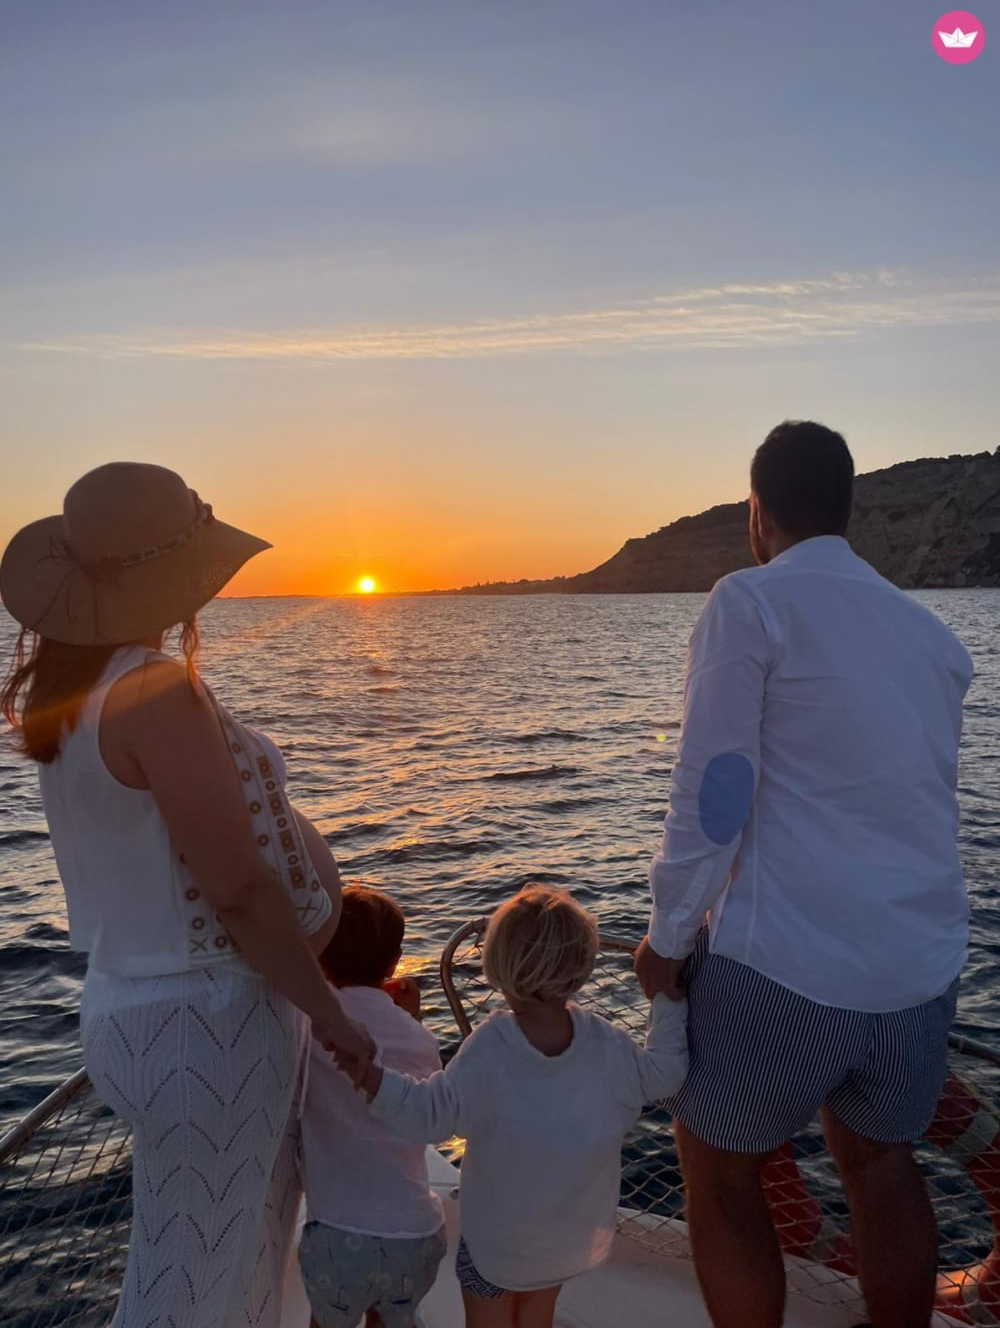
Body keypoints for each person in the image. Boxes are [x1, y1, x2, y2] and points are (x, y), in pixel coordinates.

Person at [0, 461, 373, 1328]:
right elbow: (237, 888)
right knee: (198, 1287)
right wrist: (329, 1012)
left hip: (144, 1009)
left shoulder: (79, 690)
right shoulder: (152, 691)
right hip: (205, 1024)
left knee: (212, 1261)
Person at [633, 421, 974, 1328]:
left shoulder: (750, 602)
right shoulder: (935, 641)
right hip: (918, 972)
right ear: (847, 510)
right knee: (881, 1162)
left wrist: (667, 940)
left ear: (759, 512)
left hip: (786, 966)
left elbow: (716, 793)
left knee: (716, 1165)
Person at [342, 884, 689, 1328]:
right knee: (536, 1317)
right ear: (582, 966)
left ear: (498, 966)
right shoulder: (608, 1043)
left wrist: (368, 1074)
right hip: (568, 1242)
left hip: (498, 1248)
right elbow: (665, 1073)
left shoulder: (491, 1049)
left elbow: (428, 1115)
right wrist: (668, 999)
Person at [298, 885, 447, 1328]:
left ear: (320, 956)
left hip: (340, 1237)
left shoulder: (307, 1025)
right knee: (392, 1318)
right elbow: (420, 1110)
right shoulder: (418, 1039)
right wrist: (411, 1019)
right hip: (417, 1236)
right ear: (394, 961)